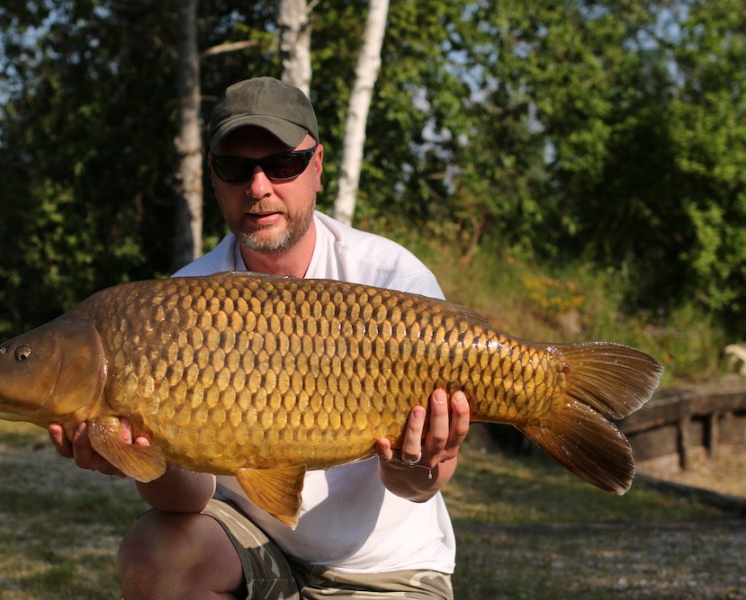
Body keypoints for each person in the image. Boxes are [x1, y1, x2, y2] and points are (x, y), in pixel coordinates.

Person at [48, 76, 470, 600]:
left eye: (282, 164)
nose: (259, 187)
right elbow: (187, 499)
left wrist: (419, 462)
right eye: (236, 167)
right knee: (153, 555)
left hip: (383, 569)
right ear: (214, 177)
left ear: (316, 167)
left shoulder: (391, 280)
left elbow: (419, 487)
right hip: (252, 547)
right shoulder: (177, 303)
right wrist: (137, 457)